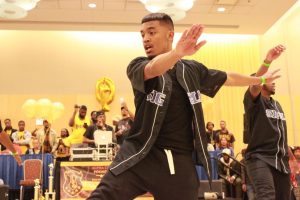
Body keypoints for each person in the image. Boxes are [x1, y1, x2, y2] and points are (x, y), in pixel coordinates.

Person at [87, 13, 281, 200]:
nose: (145, 38)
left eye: (152, 32)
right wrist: (177, 53)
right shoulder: (137, 65)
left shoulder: (191, 70)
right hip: (140, 155)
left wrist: (260, 78)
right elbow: (153, 69)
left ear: (170, 35)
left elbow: (227, 77)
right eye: (142, 34)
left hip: (179, 161)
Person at [243, 44, 290, 200]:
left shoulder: (277, 105)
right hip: (260, 158)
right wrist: (267, 62)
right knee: (266, 196)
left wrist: (290, 156)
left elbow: (281, 134)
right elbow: (255, 84)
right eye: (269, 79)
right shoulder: (255, 101)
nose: (273, 81)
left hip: (281, 162)